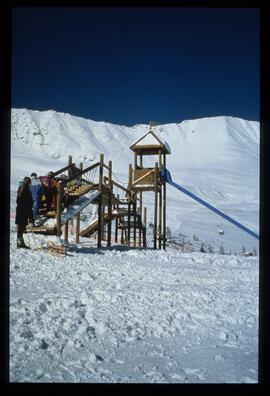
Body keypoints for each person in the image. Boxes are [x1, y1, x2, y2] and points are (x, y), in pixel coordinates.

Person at [15, 177, 34, 249]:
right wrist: (31, 217)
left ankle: (20, 243)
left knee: (20, 228)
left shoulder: (20, 188)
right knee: (21, 229)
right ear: (28, 183)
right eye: (30, 183)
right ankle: (20, 244)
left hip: (20, 211)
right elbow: (28, 204)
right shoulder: (26, 190)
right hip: (24, 212)